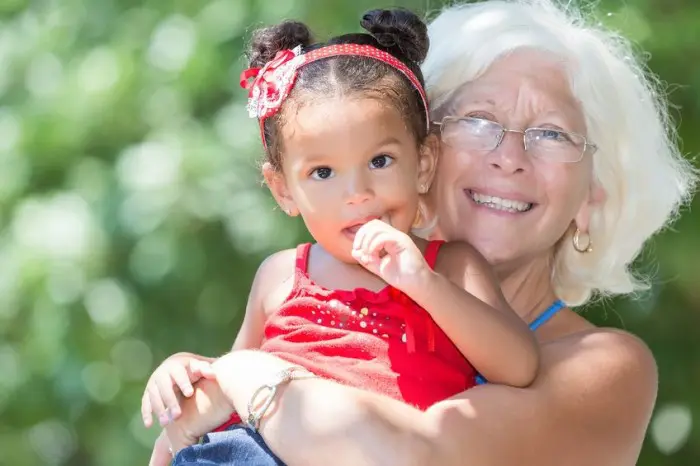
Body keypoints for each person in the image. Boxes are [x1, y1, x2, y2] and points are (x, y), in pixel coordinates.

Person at [150, 1, 697, 465]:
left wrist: (248, 379)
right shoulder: (293, 276)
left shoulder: (604, 366)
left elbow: (416, 455)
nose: (509, 157)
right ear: (426, 152)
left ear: (595, 193)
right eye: (479, 120)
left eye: (552, 133)